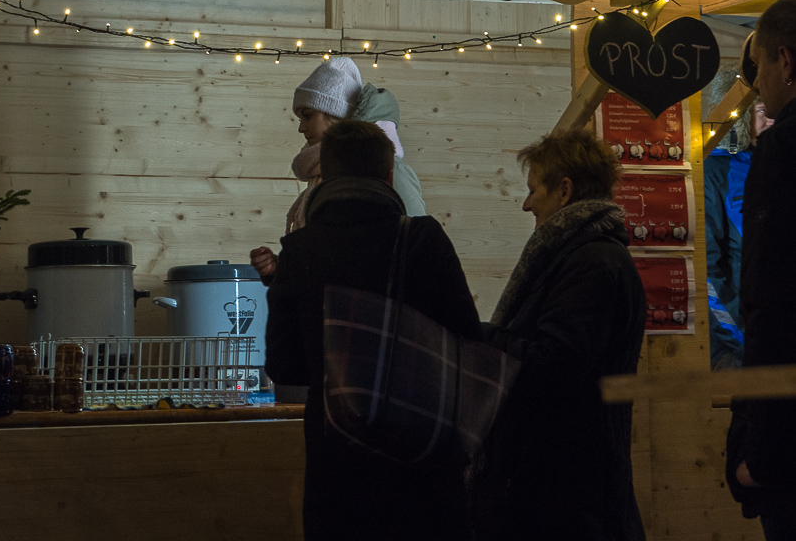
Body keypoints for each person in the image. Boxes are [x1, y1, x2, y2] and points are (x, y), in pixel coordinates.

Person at [264, 120, 482, 540]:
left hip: (338, 472)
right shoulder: (423, 240)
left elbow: (285, 366)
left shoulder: (300, 250)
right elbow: (467, 345)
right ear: (388, 175)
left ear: (326, 174)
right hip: (422, 463)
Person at [473, 128, 646, 541]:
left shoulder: (592, 264)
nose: (526, 204)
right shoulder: (582, 257)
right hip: (566, 489)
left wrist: (482, 337)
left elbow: (554, 366)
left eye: (534, 190)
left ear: (564, 191)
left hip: (568, 497)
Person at [251, 56, 426, 281]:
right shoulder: (322, 174)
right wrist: (280, 271)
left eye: (308, 116)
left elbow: (413, 248)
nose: (301, 128)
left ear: (335, 115)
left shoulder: (388, 169)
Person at [726, 0, 796, 539]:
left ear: (785, 61)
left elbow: (772, 304)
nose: (758, 86)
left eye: (760, 67)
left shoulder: (782, 154)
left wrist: (759, 447)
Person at [704, 89, 772, 370]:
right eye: (762, 111)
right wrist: (741, 336)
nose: (772, 120)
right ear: (744, 117)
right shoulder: (717, 170)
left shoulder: (783, 166)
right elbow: (706, 268)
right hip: (736, 345)